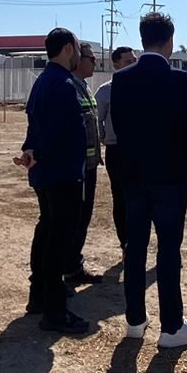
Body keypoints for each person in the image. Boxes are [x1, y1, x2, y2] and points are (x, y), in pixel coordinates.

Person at [110, 13, 187, 349]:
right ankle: (171, 326)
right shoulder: (179, 80)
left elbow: (119, 129)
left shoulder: (120, 80)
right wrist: (176, 165)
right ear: (169, 40)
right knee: (169, 250)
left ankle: (135, 320)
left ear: (141, 39)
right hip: (168, 178)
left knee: (134, 247)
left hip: (132, 176)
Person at [15, 28, 93, 334]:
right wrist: (38, 153)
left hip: (47, 172)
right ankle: (55, 311)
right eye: (75, 48)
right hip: (61, 173)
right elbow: (56, 131)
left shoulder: (43, 82)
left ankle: (39, 298)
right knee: (58, 240)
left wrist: (30, 151)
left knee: (47, 232)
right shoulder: (61, 84)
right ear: (67, 49)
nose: (78, 53)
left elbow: (35, 127)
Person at [67, 42, 106, 289]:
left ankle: (73, 265)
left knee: (83, 218)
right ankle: (67, 268)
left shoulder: (84, 89)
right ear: (79, 59)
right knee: (73, 219)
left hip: (89, 166)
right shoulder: (70, 88)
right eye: (92, 59)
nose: (95, 63)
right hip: (77, 168)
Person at [94, 46, 137, 256]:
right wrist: (103, 138)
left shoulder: (144, 87)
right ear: (116, 64)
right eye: (128, 61)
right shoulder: (105, 91)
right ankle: (125, 241)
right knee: (120, 197)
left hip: (140, 150)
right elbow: (96, 120)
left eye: (134, 60)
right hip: (116, 150)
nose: (133, 64)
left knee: (142, 196)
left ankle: (140, 239)